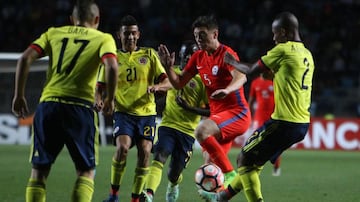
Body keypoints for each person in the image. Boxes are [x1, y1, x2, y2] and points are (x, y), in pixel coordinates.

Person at [198, 11, 315, 202]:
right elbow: (284, 76)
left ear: (284, 33)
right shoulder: (307, 55)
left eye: (275, 33)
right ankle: (222, 197)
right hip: (301, 124)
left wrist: (232, 62)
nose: (274, 37)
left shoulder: (284, 49)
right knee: (254, 165)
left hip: (283, 122)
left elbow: (252, 71)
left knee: (243, 161)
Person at [11, 0, 118, 201]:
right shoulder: (103, 38)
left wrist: (19, 95)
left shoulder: (54, 33)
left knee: (39, 173)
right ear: (96, 19)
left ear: (72, 20)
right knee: (86, 172)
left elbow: (24, 59)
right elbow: (112, 67)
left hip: (49, 105)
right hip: (80, 107)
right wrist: (110, 99)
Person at [158, 15, 251, 187]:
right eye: (196, 36)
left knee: (201, 131)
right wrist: (168, 68)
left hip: (237, 114)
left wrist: (227, 90)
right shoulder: (198, 57)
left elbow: (242, 76)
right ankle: (218, 194)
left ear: (215, 34)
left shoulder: (226, 54)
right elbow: (178, 83)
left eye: (202, 35)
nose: (198, 40)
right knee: (210, 170)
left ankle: (232, 175)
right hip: (219, 118)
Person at [99, 15, 169, 202]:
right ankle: (113, 195)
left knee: (145, 152)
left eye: (133, 33)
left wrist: (158, 87)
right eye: (126, 33)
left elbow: (167, 82)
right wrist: (99, 99)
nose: (130, 37)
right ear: (118, 35)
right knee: (122, 148)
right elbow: (99, 86)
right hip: (123, 113)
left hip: (147, 113)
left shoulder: (149, 55)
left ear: (138, 34)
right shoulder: (112, 58)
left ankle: (135, 198)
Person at [142, 41, 209, 202]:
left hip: (187, 132)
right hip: (168, 125)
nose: (186, 59)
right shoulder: (173, 73)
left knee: (174, 173)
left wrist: (189, 108)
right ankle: (148, 194)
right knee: (160, 156)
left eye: (190, 56)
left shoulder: (202, 81)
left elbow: (210, 110)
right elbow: (165, 86)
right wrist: (155, 89)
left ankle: (173, 185)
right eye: (184, 56)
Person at [247, 73, 281, 176]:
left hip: (273, 117)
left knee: (275, 143)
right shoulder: (255, 82)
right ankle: (254, 166)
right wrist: (249, 117)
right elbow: (251, 101)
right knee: (256, 142)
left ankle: (276, 166)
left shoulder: (275, 81)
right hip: (259, 118)